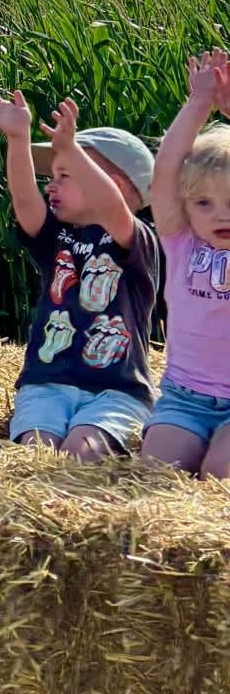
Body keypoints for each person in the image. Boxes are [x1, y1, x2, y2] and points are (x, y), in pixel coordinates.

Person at [0, 90, 159, 461]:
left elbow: (111, 204)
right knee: (36, 452)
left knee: (82, 452)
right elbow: (25, 199)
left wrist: (72, 149)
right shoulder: (57, 238)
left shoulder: (135, 239)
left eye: (65, 176)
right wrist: (17, 137)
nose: (51, 185)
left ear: (118, 186)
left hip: (118, 391)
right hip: (46, 385)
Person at [141, 50, 230, 477]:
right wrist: (199, 105)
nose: (221, 215)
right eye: (204, 202)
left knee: (219, 477)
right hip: (185, 396)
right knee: (156, 474)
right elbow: (165, 172)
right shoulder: (179, 240)